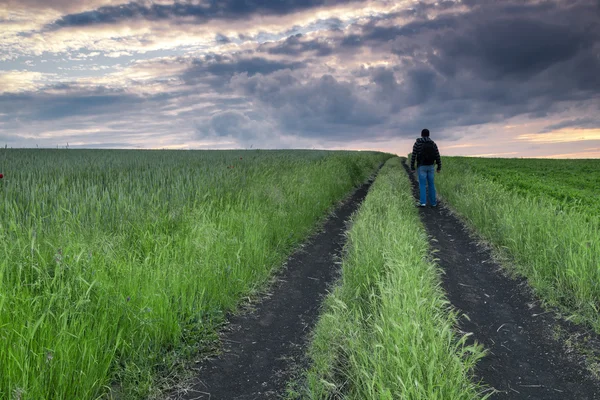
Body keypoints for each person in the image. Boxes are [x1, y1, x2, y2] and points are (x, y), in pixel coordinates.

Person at [410, 128, 441, 207]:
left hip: (421, 166)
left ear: (421, 135)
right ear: (429, 135)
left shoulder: (417, 143)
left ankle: (423, 202)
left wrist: (412, 167)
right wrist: (438, 167)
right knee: (431, 184)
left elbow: (414, 155)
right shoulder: (433, 144)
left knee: (422, 185)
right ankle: (433, 203)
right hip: (431, 166)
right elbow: (437, 155)